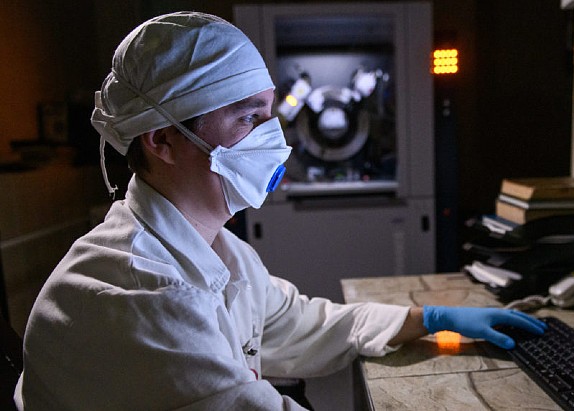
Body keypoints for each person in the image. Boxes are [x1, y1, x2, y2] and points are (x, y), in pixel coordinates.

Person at [14, 11, 546, 410]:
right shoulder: (141, 293)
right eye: (248, 119)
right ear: (163, 140)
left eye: (269, 116)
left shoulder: (219, 251)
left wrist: (427, 319)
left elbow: (300, 324)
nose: (273, 139)